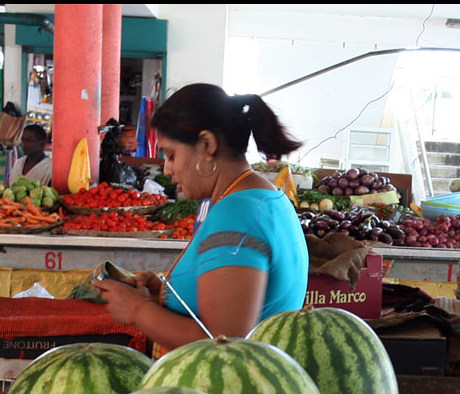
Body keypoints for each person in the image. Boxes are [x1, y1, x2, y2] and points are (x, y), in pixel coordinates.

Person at [94, 84, 308, 349]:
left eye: (171, 155)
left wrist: (138, 309)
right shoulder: (264, 197)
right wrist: (164, 291)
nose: (168, 169)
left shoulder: (237, 215)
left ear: (207, 144)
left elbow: (224, 344)